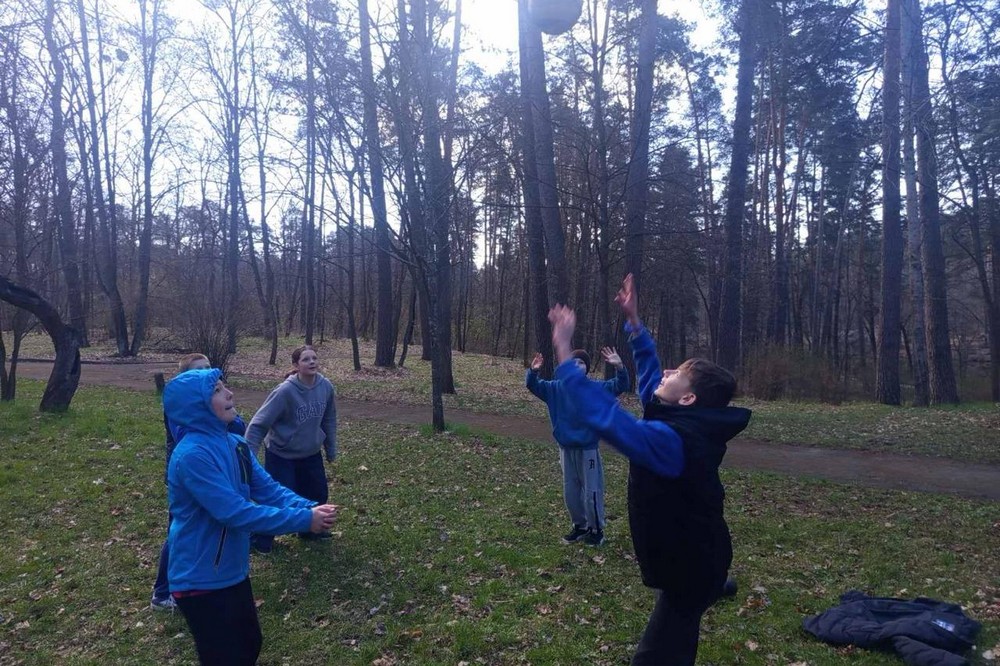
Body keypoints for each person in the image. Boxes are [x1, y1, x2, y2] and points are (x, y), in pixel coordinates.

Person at [546, 274, 751, 666]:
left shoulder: (672, 441)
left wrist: (564, 350)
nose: (667, 372)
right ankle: (712, 587)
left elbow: (608, 419)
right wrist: (635, 325)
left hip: (690, 568)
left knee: (658, 653)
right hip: (697, 554)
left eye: (677, 375)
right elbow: (651, 381)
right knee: (688, 614)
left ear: (687, 399)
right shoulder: (684, 420)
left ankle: (709, 589)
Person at [164, 368, 337, 665]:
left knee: (250, 643)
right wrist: (303, 520)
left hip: (232, 570)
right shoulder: (192, 456)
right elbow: (235, 512)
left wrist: (308, 507)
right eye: (217, 391)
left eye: (224, 387)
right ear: (196, 406)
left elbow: (268, 489)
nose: (229, 393)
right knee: (225, 657)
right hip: (199, 578)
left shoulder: (237, 445)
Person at [151, 354, 246, 611]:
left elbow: (239, 427)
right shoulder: (182, 410)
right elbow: (188, 435)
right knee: (179, 532)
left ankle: (210, 576)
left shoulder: (216, 402)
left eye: (208, 369)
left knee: (208, 528)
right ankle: (162, 592)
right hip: (188, 475)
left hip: (215, 469)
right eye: (199, 370)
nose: (206, 374)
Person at [526, 346, 629, 546]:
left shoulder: (595, 389)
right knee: (571, 492)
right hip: (566, 449)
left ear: (586, 369)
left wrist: (620, 367)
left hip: (587, 449)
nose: (577, 365)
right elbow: (533, 385)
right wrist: (533, 371)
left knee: (591, 491)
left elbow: (620, 385)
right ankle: (580, 526)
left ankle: (596, 530)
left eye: (581, 363)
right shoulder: (554, 388)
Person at [246, 345, 337, 553]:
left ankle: (310, 530)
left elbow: (329, 419)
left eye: (314, 358)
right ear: (296, 365)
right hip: (282, 454)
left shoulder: (325, 387)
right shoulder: (285, 391)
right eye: (306, 359)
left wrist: (331, 448)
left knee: (317, 493)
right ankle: (260, 539)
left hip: (310, 453)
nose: (312, 362)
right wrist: (247, 456)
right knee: (275, 499)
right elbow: (259, 424)